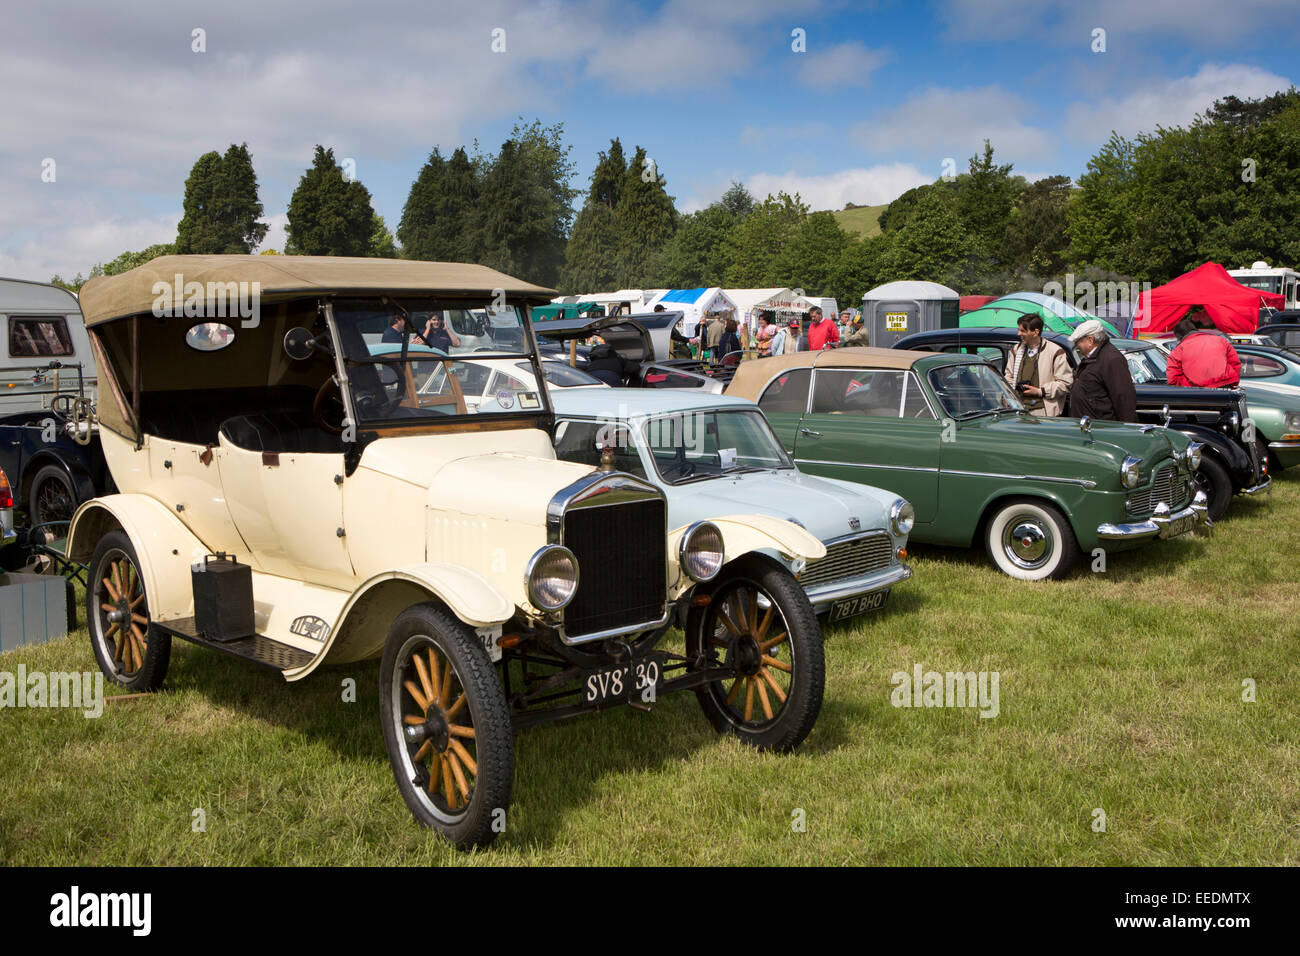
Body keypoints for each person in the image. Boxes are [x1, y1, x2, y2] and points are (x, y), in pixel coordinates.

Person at [1067, 319, 1137, 422]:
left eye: (1078, 342)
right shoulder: (1093, 357)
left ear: (1090, 340)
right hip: (1088, 426)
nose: (1077, 345)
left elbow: (1123, 397)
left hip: (1100, 427)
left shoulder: (1112, 359)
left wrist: (1128, 429)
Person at [1003, 314, 1073, 416]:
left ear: (1036, 332)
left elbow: (1065, 384)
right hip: (1018, 409)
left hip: (1043, 412)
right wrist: (1008, 396)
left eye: (1023, 331)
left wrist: (1040, 391)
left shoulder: (1055, 351)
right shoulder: (1016, 350)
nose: (1019, 334)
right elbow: (1008, 377)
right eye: (1019, 330)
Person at [1166, 309, 1241, 388]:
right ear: (1195, 329)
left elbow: (1172, 378)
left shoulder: (1178, 349)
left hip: (1196, 390)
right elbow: (1235, 363)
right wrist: (1232, 382)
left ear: (1179, 337)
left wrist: (1185, 386)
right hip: (1224, 385)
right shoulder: (1220, 340)